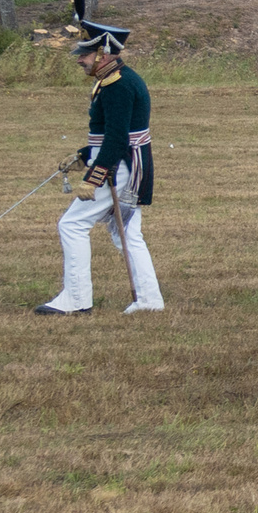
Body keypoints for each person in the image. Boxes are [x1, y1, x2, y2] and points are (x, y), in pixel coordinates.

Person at [36, 16, 163, 316]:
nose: (80, 59)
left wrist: (93, 177)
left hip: (119, 167)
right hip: (122, 162)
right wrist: (84, 154)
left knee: (72, 224)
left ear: (104, 53)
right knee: (127, 234)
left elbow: (118, 139)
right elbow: (111, 133)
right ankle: (150, 300)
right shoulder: (111, 79)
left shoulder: (118, 85)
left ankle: (77, 299)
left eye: (86, 53)